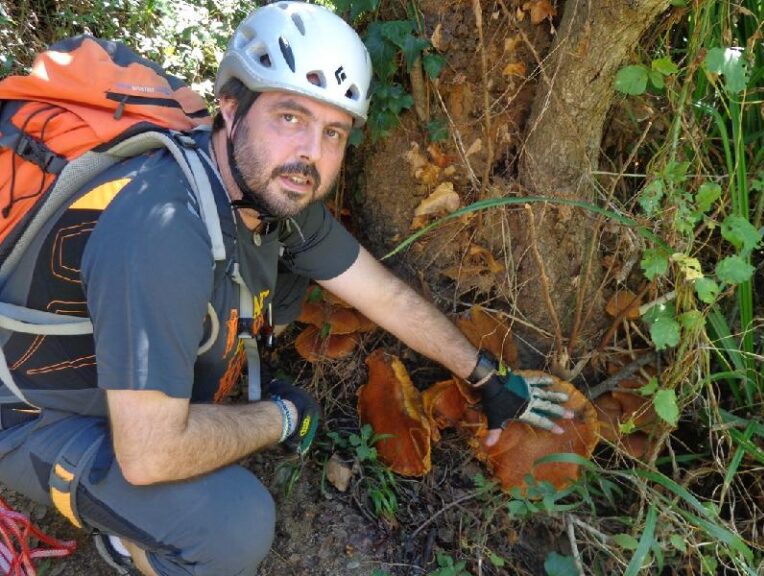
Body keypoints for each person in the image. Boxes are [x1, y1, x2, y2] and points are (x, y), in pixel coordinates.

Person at [0, 2, 573, 575]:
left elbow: (384, 295)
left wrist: (485, 375)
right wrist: (281, 417)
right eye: (290, 117)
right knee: (231, 529)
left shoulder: (271, 191)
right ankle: (132, 546)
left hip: (122, 371)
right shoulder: (164, 227)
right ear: (230, 106)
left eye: (333, 132)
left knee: (287, 281)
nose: (310, 155)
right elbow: (151, 455)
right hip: (37, 412)